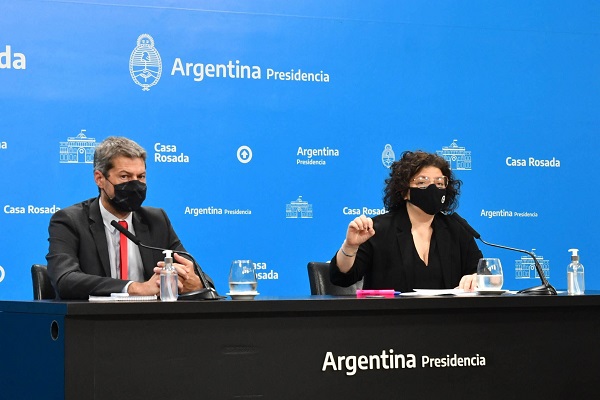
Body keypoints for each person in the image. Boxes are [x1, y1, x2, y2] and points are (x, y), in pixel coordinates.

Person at [46, 136, 212, 299]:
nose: (135, 185)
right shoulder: (70, 220)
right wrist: (135, 288)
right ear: (99, 179)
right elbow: (65, 279)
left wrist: (195, 283)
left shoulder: (156, 220)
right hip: (94, 315)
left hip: (151, 316)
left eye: (141, 177)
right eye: (124, 176)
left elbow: (203, 279)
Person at [330, 150, 482, 292]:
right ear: (404, 191)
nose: (433, 189)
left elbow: (481, 272)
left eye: (439, 183)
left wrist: (475, 278)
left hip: (447, 312)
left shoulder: (456, 229)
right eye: (422, 183)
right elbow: (342, 278)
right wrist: (350, 247)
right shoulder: (377, 229)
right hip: (390, 312)